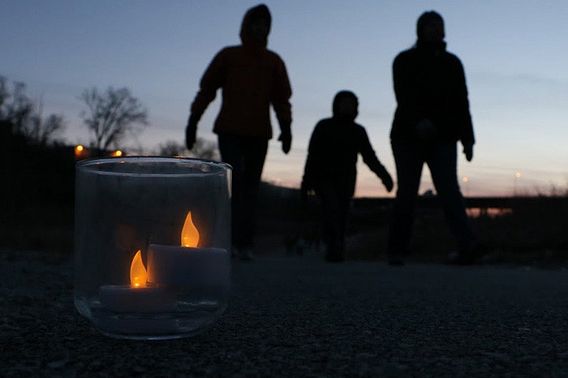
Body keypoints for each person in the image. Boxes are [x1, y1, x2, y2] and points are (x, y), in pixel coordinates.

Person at [185, 4, 292, 260]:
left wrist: (286, 128)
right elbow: (207, 89)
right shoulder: (229, 56)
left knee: (252, 189)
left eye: (265, 24)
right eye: (256, 23)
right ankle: (228, 241)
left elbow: (281, 98)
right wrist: (193, 121)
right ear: (246, 26)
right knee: (234, 184)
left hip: (259, 133)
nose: (260, 28)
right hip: (230, 130)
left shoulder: (273, 61)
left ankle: (245, 244)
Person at [387, 11, 476, 266]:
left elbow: (462, 102)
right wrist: (418, 121)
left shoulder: (453, 63)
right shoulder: (404, 60)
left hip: (444, 137)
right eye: (430, 26)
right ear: (420, 30)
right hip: (408, 136)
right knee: (407, 191)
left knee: (449, 190)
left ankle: (467, 245)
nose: (436, 30)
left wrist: (468, 138)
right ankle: (396, 249)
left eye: (440, 26)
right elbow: (402, 95)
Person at [302, 91, 393, 262]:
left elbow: (369, 156)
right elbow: (312, 155)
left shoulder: (358, 131)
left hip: (346, 180)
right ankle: (333, 246)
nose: (348, 107)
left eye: (352, 104)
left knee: (342, 212)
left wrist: (384, 176)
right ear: (337, 105)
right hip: (324, 178)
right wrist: (306, 182)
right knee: (330, 208)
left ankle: (338, 246)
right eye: (345, 103)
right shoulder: (323, 126)